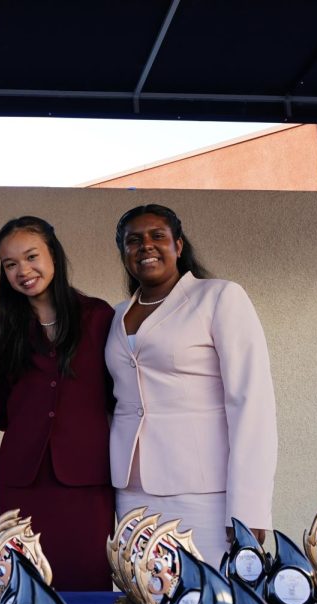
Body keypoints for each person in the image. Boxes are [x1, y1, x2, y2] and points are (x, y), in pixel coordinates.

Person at [105, 203, 277, 565]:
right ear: (124, 254)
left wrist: (249, 506)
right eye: (133, 241)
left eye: (157, 236)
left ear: (178, 246)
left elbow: (250, 402)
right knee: (146, 602)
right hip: (131, 491)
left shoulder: (219, 297)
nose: (146, 246)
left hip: (204, 492)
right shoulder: (118, 314)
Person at [0, 216, 115, 590]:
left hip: (86, 481)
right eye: (10, 264)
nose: (23, 271)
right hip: (20, 480)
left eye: (31, 257)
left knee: (86, 580)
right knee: (21, 585)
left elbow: (115, 393)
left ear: (54, 256)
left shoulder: (98, 317)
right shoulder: (0, 330)